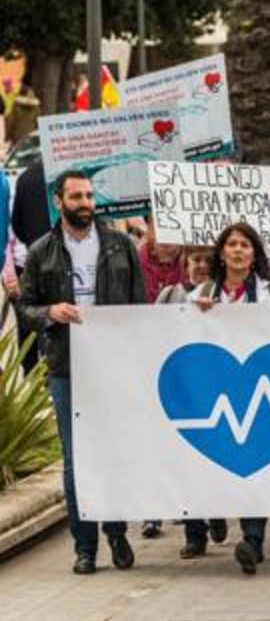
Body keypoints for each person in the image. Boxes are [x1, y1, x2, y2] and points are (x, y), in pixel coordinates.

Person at [15, 170, 145, 575]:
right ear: (59, 201)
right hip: (66, 366)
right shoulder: (41, 251)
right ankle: (84, 545)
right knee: (75, 459)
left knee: (114, 451)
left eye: (89, 195)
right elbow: (25, 308)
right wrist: (50, 313)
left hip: (113, 366)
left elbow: (139, 307)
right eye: (76, 196)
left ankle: (117, 531)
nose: (85, 202)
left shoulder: (121, 245)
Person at [187, 222, 270, 575]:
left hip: (260, 389)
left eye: (245, 245)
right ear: (221, 252)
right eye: (232, 245)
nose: (238, 250)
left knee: (253, 464)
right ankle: (214, 515)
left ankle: (252, 540)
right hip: (215, 391)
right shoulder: (200, 293)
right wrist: (196, 316)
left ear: (255, 254)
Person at [150, 246, 232, 559]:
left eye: (207, 262)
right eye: (195, 260)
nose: (200, 266)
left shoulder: (222, 296)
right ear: (186, 263)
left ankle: (217, 511)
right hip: (182, 386)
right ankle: (194, 533)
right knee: (187, 461)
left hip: (216, 385)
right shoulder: (170, 295)